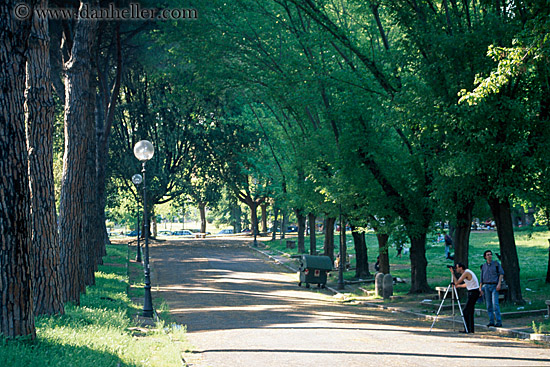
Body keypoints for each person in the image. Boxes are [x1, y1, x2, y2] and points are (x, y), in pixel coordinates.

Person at [449, 262, 480, 334]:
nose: (456, 269)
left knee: (465, 311)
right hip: (473, 291)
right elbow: (467, 284)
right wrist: (459, 286)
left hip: (473, 292)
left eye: (457, 268)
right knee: (470, 311)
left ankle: (467, 328)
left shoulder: (466, 273)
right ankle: (470, 329)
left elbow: (456, 282)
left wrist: (452, 273)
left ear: (461, 268)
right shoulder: (468, 272)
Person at [479, 250, 504, 327]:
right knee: (488, 305)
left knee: (495, 304)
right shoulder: (484, 266)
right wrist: (480, 287)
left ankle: (499, 321)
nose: (489, 256)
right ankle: (491, 321)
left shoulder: (496, 264)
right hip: (486, 286)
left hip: (494, 285)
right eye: (488, 255)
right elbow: (482, 278)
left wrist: (499, 284)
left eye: (490, 254)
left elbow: (501, 274)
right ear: (485, 257)